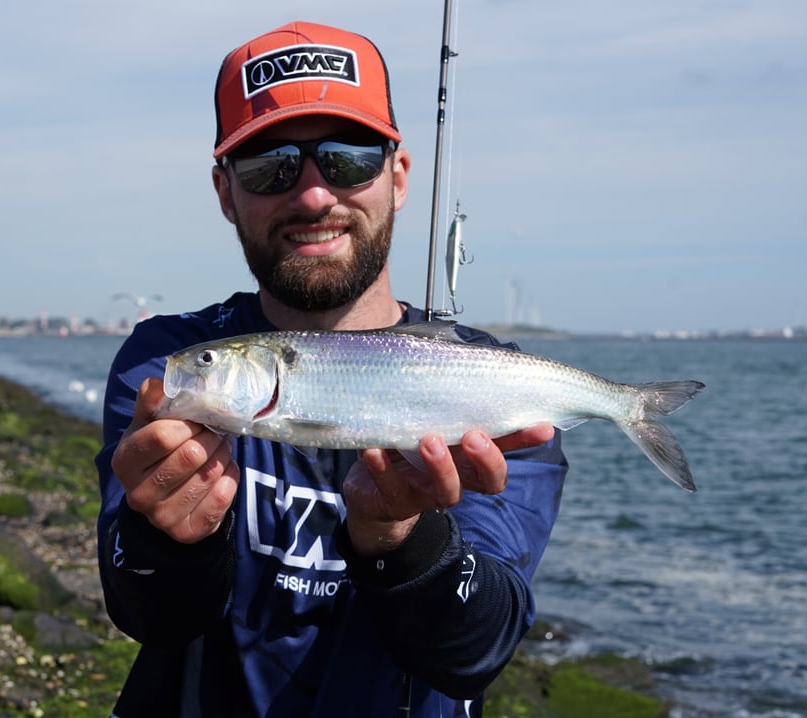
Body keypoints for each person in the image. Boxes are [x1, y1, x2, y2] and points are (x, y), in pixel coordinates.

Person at [96, 21, 568, 718]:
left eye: (348, 160)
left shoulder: (493, 384)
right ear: (227, 194)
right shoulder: (164, 365)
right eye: (269, 168)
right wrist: (163, 538)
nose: (314, 196)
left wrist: (402, 539)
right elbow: (150, 614)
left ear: (398, 177)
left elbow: (476, 651)